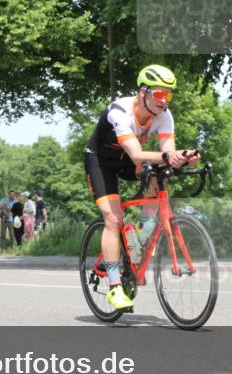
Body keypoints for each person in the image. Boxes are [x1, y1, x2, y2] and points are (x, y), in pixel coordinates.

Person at [83, 64, 201, 311]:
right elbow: (137, 154)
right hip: (101, 160)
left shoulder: (164, 116)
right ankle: (115, 286)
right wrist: (170, 156)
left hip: (127, 161)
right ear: (142, 92)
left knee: (162, 172)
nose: (164, 100)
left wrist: (183, 157)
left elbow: (167, 154)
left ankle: (143, 233)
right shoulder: (120, 112)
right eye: (159, 94)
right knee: (113, 219)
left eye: (169, 95)